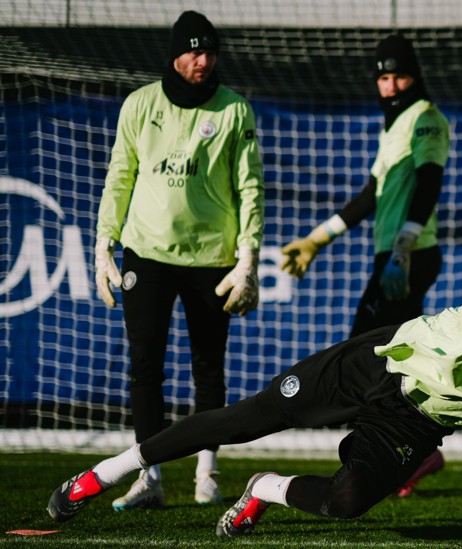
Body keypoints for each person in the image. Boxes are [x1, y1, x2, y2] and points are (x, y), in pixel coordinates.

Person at [49, 248, 462, 537]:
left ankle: (263, 488)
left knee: (345, 503)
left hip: (417, 419)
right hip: (380, 362)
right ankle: (98, 474)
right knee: (243, 416)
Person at [92, 11, 264, 510]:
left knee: (208, 368)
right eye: (193, 51)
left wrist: (248, 255)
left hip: (213, 258)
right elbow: (119, 176)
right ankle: (148, 477)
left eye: (210, 51)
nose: (202, 61)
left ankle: (206, 472)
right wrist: (104, 243)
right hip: (145, 254)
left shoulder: (235, 110)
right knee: (146, 367)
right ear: (174, 54)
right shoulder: (139, 105)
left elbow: (249, 185)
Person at [279, 32, 450, 495]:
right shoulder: (394, 127)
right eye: (384, 78)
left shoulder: (426, 118)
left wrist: (404, 249)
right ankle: (409, 454)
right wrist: (317, 239)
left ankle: (404, 455)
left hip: (409, 256)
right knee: (385, 362)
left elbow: (429, 184)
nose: (391, 86)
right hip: (393, 256)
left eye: (399, 76)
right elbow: (370, 196)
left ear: (414, 76)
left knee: (368, 359)